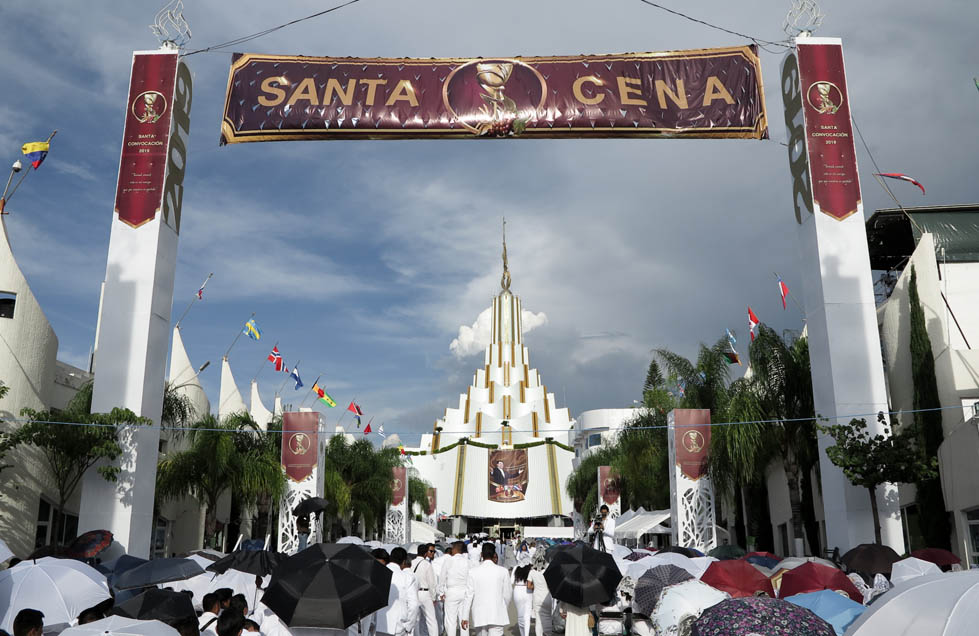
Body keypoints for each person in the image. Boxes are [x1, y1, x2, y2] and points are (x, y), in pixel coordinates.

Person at [463, 543, 511, 636]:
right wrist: (504, 608)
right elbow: (507, 595)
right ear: (494, 554)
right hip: (497, 613)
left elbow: (468, 596)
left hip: (480, 615)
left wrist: (465, 617)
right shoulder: (503, 571)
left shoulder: (473, 572)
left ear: (481, 555)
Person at [376, 547, 419, 636]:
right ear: (404, 562)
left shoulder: (378, 573)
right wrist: (409, 626)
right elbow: (414, 605)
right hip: (398, 627)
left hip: (378, 624)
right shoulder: (407, 578)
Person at [440, 541, 471, 636]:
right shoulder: (467, 562)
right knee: (464, 618)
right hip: (464, 591)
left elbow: (442, 578)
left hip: (452, 592)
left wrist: (441, 592)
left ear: (455, 549)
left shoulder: (448, 561)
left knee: (451, 621)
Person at [412, 544, 438, 636]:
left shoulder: (411, 563)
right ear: (426, 553)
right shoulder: (427, 564)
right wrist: (433, 597)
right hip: (425, 593)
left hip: (414, 592)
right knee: (431, 620)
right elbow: (431, 583)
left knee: (416, 619)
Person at [528, 550, 553, 636]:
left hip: (536, 597)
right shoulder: (548, 571)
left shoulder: (532, 572)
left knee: (538, 619)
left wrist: (535, 586)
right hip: (546, 596)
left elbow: (529, 586)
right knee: (547, 617)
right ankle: (548, 633)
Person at [511, 560, 533, 636]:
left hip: (517, 590)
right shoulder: (530, 568)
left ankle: (522, 634)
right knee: (527, 615)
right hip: (528, 591)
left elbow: (511, 581)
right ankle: (526, 634)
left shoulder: (516, 568)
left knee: (520, 615)